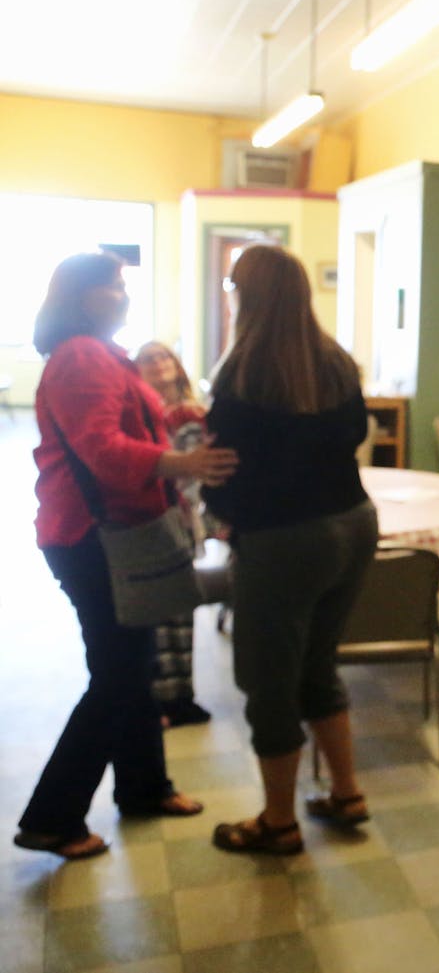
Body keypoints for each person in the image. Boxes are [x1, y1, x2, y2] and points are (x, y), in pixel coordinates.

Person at [16, 252, 238, 861]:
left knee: (132, 667)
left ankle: (144, 787)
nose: (123, 294)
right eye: (115, 286)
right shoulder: (83, 355)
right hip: (91, 537)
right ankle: (51, 817)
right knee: (116, 675)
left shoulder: (95, 352)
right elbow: (104, 451)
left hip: (98, 532)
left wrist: (174, 429)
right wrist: (182, 463)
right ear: (90, 297)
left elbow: (124, 425)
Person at [202, 244, 378, 855]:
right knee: (317, 664)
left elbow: (222, 469)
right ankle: (347, 793)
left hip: (283, 542)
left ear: (244, 296)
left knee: (268, 682)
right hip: (353, 525)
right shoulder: (336, 362)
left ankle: (278, 822)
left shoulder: (240, 373)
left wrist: (218, 513)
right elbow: (354, 437)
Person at [134, 340, 212, 726]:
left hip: (180, 523)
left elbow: (197, 474)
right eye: (148, 359)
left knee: (181, 614)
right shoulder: (134, 414)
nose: (157, 363)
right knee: (157, 616)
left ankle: (181, 697)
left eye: (163, 356)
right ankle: (160, 699)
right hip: (149, 523)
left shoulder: (192, 414)